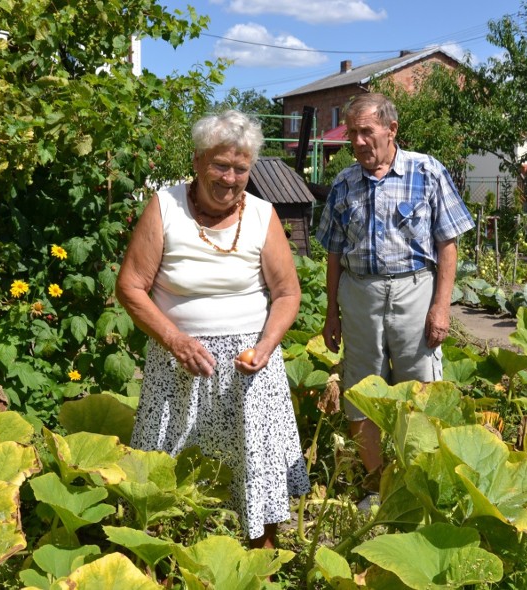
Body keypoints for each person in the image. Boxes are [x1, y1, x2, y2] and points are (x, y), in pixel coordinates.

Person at [116, 110, 310, 548]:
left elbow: (287, 294)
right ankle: (162, 555)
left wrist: (265, 345)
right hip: (178, 364)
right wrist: (175, 340)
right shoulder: (166, 206)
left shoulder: (262, 214)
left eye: (241, 168)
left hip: (250, 369)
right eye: (221, 165)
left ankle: (260, 559)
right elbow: (130, 286)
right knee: (165, 470)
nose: (230, 178)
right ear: (199, 160)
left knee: (256, 465)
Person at [316, 93, 474, 507]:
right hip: (359, 293)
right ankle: (374, 485)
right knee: (361, 387)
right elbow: (333, 251)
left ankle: (413, 483)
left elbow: (448, 245)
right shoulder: (344, 182)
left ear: (392, 130)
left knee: (419, 386)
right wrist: (331, 312)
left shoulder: (427, 170)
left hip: (414, 289)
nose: (358, 141)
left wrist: (441, 307)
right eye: (352, 133)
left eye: (366, 131)